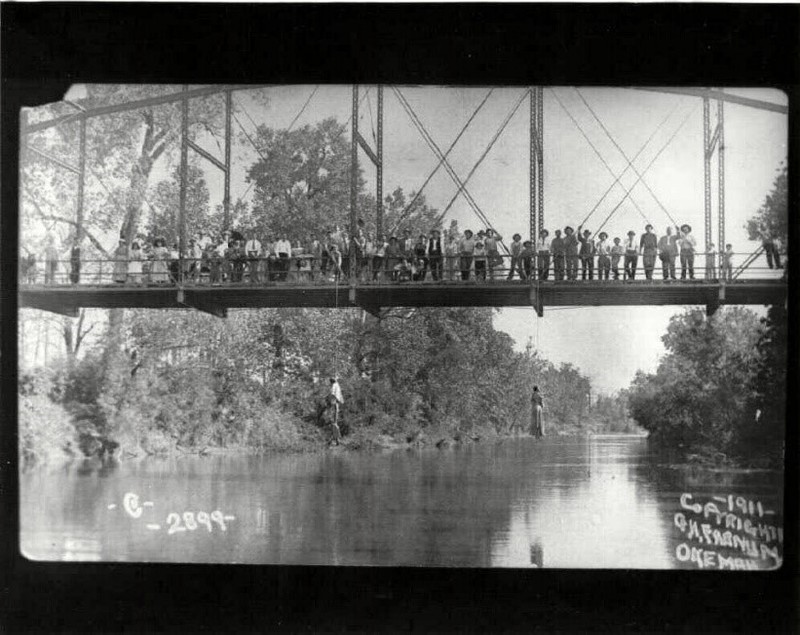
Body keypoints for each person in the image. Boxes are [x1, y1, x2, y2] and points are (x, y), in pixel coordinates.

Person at [328, 377, 344, 446]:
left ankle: (336, 440)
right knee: (335, 422)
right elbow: (339, 396)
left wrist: (331, 401)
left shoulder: (334, 385)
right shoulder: (337, 385)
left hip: (334, 403)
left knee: (334, 422)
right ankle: (336, 441)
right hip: (336, 403)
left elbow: (332, 393)